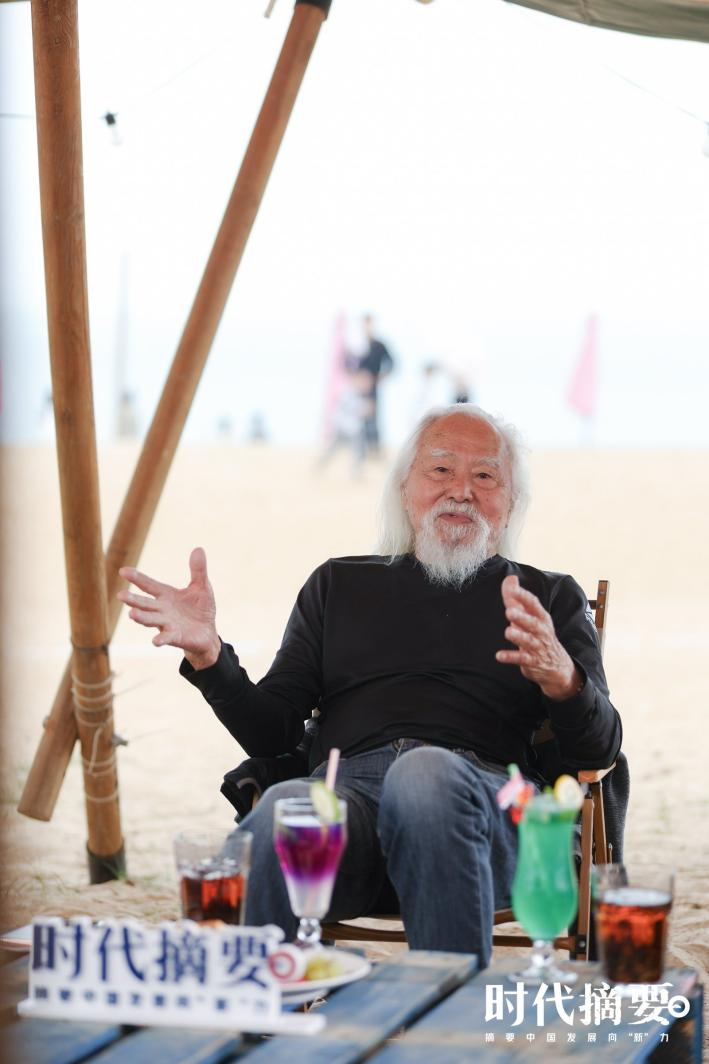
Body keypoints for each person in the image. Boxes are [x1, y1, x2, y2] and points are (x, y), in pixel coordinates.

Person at [117, 404, 621, 967]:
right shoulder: (339, 584)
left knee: (423, 776)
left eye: (485, 475)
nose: (461, 491)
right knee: (288, 806)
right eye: (441, 470)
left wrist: (564, 679)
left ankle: (448, 1011)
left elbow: (598, 751)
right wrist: (210, 657)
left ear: (511, 503)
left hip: (482, 813)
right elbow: (272, 733)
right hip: (348, 811)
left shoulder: (546, 598)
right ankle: (258, 1010)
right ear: (405, 489)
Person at [357, 313, 394, 455]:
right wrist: (357, 379)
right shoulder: (357, 344)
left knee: (372, 418)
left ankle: (374, 449)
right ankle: (361, 450)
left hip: (372, 388)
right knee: (356, 419)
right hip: (357, 390)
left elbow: (391, 363)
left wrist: (381, 376)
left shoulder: (379, 345)